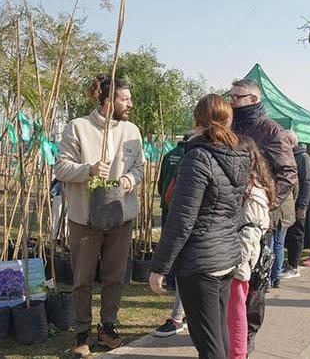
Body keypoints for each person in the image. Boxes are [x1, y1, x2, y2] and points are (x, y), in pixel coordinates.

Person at [149, 94, 249, 359]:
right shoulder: (238, 156)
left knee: (209, 342)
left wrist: (159, 267)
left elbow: (181, 219)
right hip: (225, 256)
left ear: (197, 120)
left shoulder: (198, 158)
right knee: (218, 335)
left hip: (201, 262)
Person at [55, 76, 145, 358]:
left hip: (121, 216)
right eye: (124, 99)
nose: (130, 104)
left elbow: (140, 167)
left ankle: (108, 327)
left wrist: (129, 180)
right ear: (108, 101)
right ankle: (82, 331)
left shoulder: (132, 131)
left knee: (115, 277)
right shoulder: (78, 128)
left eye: (129, 99)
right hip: (85, 219)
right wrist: (89, 170)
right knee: (82, 279)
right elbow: (61, 168)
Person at [228, 78, 297, 353]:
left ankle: (248, 332)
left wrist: (265, 201)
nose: (232, 101)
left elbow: (289, 173)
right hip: (230, 213)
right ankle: (233, 328)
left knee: (254, 278)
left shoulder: (270, 130)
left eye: (237, 97)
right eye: (231, 96)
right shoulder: (231, 125)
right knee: (232, 276)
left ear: (253, 100)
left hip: (257, 217)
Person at [228, 136, 275, 359]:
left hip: (239, 265)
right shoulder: (242, 186)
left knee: (238, 315)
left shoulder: (254, 193)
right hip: (235, 262)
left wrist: (238, 267)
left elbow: (250, 236)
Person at [153, 133, 192, 338]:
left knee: (170, 241)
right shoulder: (191, 159)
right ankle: (179, 316)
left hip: (170, 206)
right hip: (184, 212)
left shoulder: (169, 154)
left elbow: (162, 185)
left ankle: (169, 277)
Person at [281, 131, 310, 279]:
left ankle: (294, 266)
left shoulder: (303, 158)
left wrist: (303, 205)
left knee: (297, 234)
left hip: (298, 203)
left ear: (291, 142)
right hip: (289, 204)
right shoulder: (291, 156)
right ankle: (289, 263)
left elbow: (307, 183)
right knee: (289, 235)